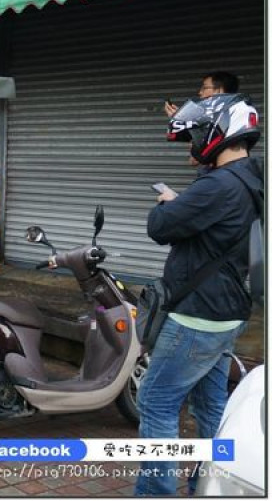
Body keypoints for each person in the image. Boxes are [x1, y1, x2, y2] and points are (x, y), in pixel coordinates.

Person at [135, 94, 262, 496]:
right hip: (229, 312)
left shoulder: (219, 185)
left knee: (156, 403)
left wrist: (171, 203)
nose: (194, 142)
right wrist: (186, 202)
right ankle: (212, 485)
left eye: (198, 134)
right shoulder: (252, 177)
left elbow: (160, 226)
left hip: (197, 317)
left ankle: (156, 492)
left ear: (218, 133)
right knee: (211, 408)